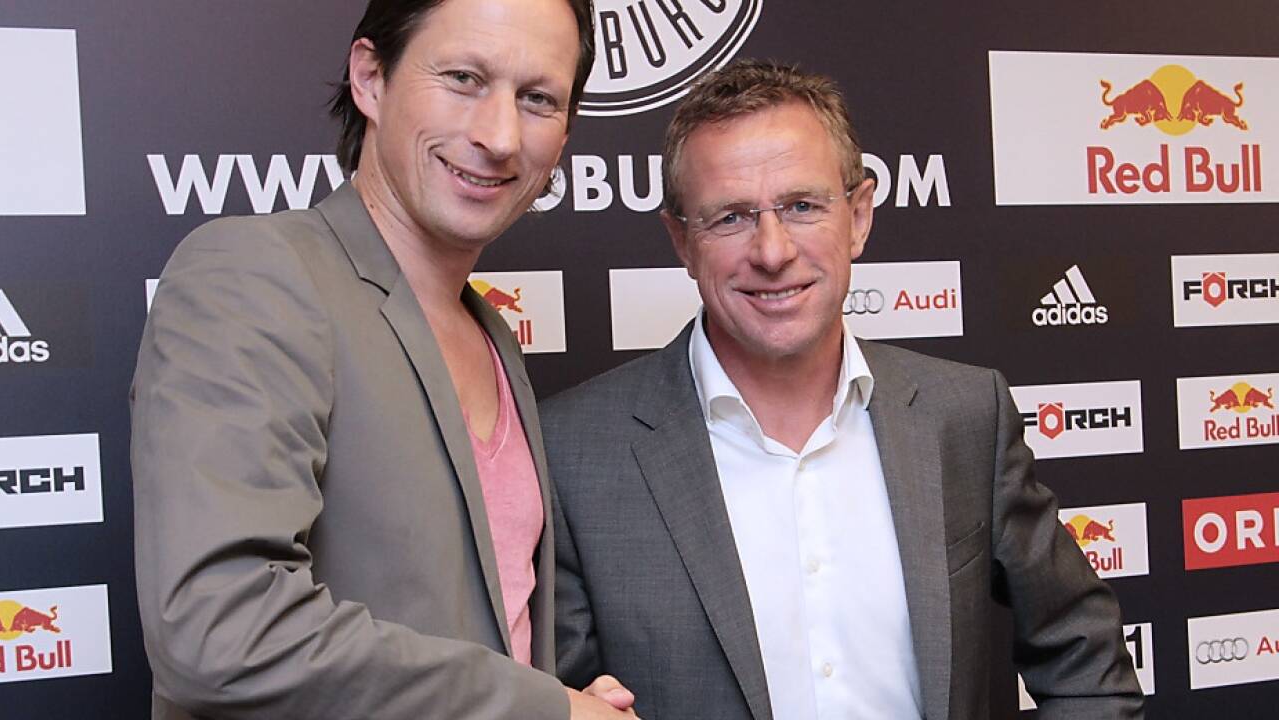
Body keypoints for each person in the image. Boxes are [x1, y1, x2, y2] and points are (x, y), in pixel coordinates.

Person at [546, 60, 1145, 720]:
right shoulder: (573, 453)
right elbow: (556, 697)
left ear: (858, 216)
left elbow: (1085, 654)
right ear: (681, 241)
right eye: (731, 218)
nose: (772, 251)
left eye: (802, 206)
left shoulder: (965, 416)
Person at [131, 1, 636, 718]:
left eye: (537, 99)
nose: (498, 136)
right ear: (370, 78)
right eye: (464, 78)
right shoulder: (255, 272)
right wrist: (542, 710)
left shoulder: (489, 333)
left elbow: (481, 634)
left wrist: (561, 696)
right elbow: (218, 632)